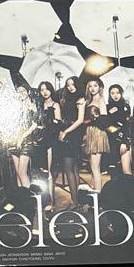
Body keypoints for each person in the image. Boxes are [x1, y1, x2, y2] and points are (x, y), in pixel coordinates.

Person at [56, 77, 83, 206]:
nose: (71, 87)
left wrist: (66, 131)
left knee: (69, 168)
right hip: (68, 132)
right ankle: (76, 200)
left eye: (73, 84)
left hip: (73, 134)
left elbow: (80, 120)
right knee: (74, 168)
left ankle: (75, 201)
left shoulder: (81, 99)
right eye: (68, 85)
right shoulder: (66, 99)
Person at [80, 77, 110, 191]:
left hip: (97, 133)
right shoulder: (88, 101)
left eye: (95, 86)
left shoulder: (100, 100)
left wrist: (91, 121)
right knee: (92, 167)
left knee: (95, 167)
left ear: (100, 87)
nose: (92, 88)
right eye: (90, 86)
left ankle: (98, 194)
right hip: (90, 133)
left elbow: (104, 121)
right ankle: (95, 192)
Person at [105, 84, 133, 175]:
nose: (115, 95)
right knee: (113, 171)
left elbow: (127, 125)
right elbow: (105, 124)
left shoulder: (126, 107)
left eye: (117, 92)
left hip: (123, 140)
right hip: (110, 141)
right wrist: (109, 113)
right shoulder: (106, 107)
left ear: (121, 93)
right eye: (112, 93)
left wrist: (124, 142)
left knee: (126, 171)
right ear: (109, 95)